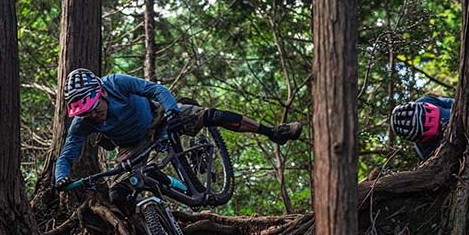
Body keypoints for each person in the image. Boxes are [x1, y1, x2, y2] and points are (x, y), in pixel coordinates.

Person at [53, 68, 303, 190]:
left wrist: (172, 111)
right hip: (130, 145)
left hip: (158, 115)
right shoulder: (83, 122)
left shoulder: (116, 82)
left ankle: (273, 132)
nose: (94, 116)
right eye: (86, 113)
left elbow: (157, 90)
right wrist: (60, 178)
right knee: (119, 194)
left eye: (95, 108)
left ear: (102, 92)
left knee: (211, 116)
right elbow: (66, 155)